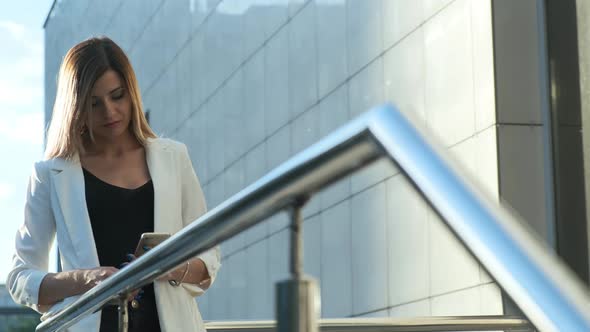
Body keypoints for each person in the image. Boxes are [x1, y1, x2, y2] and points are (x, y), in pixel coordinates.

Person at [7, 36, 221, 332]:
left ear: (131, 92)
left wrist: (171, 267)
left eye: (117, 95)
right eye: (94, 103)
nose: (109, 112)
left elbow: (208, 253)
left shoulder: (174, 157)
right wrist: (87, 280)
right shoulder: (50, 175)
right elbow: (20, 278)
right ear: (76, 106)